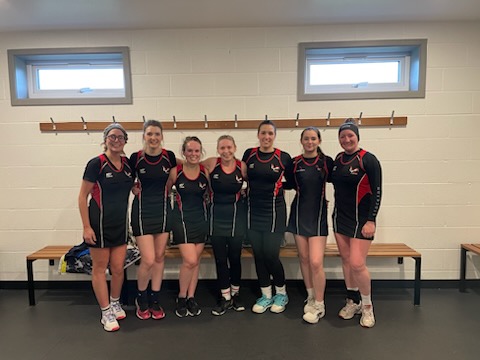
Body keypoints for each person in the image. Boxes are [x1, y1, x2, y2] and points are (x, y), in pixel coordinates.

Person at [78, 123, 133, 332]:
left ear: (125, 141)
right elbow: (82, 196)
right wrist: (86, 226)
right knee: (100, 268)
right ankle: (105, 311)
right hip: (99, 223)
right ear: (105, 139)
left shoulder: (128, 165)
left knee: (118, 267)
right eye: (112, 136)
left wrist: (136, 187)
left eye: (120, 137)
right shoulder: (96, 164)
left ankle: (115, 301)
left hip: (120, 223)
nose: (116, 140)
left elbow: (131, 185)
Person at [331, 118, 382, 328]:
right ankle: (352, 301)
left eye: (350, 135)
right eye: (343, 136)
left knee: (357, 263)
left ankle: (368, 306)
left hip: (362, 220)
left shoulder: (368, 159)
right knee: (345, 260)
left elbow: (378, 191)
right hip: (340, 218)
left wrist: (372, 220)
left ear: (357, 137)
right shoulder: (338, 159)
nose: (347, 139)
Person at [242, 120, 293, 314]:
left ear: (274, 136)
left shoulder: (283, 158)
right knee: (259, 255)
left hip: (274, 212)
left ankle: (281, 293)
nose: (266, 137)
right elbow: (244, 177)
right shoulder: (250, 154)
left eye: (270, 133)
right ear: (258, 135)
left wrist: (278, 189)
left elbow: (293, 182)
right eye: (263, 133)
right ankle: (266, 295)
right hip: (252, 212)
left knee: (271, 255)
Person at [129, 120, 176, 320]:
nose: (153, 137)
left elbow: (176, 175)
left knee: (159, 257)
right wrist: (132, 187)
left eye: (157, 134)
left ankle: (155, 299)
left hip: (164, 210)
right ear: (144, 136)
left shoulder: (169, 157)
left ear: (162, 136)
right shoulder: (136, 158)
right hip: (142, 212)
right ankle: (142, 298)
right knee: (147, 259)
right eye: (149, 134)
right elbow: (127, 179)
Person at [286, 127, 333, 324]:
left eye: (313, 138)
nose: (310, 142)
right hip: (298, 214)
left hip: (318, 215)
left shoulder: (326, 162)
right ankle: (311, 295)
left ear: (319, 141)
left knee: (315, 261)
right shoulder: (294, 163)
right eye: (306, 139)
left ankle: (320, 304)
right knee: (304, 258)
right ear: (301, 141)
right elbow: (286, 184)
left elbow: (342, 182)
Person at [201, 135, 247, 316]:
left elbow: (256, 183)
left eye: (229, 147)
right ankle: (225, 297)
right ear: (218, 149)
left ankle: (236, 294)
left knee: (235, 258)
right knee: (220, 259)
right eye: (222, 148)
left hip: (237, 217)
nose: (226, 151)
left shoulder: (241, 166)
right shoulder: (212, 163)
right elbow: (190, 162)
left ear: (235, 147)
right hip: (215, 217)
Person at [168, 136, 210, 317]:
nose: (193, 154)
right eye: (190, 150)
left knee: (196, 261)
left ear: (201, 152)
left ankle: (191, 297)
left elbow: (210, 194)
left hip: (201, 219)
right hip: (181, 220)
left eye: (197, 151)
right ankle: (181, 296)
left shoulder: (205, 171)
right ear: (183, 152)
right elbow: (163, 191)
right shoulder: (175, 171)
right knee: (190, 260)